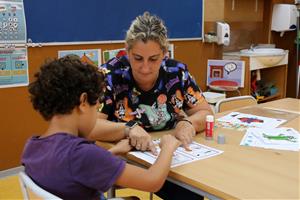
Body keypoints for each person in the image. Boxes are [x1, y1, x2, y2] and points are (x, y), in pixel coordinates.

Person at [89, 12, 213, 200]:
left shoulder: (177, 73)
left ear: (165, 53)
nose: (145, 68)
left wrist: (188, 123)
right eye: (137, 58)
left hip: (168, 156)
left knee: (193, 190)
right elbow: (90, 126)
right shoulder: (110, 74)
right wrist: (128, 128)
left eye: (154, 59)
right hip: (127, 157)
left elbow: (205, 112)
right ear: (127, 51)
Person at [21, 56, 181, 200]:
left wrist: (113, 152)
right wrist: (168, 147)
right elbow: (152, 182)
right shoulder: (83, 155)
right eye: (95, 107)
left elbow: (70, 171)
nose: (96, 113)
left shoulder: (32, 146)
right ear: (83, 102)